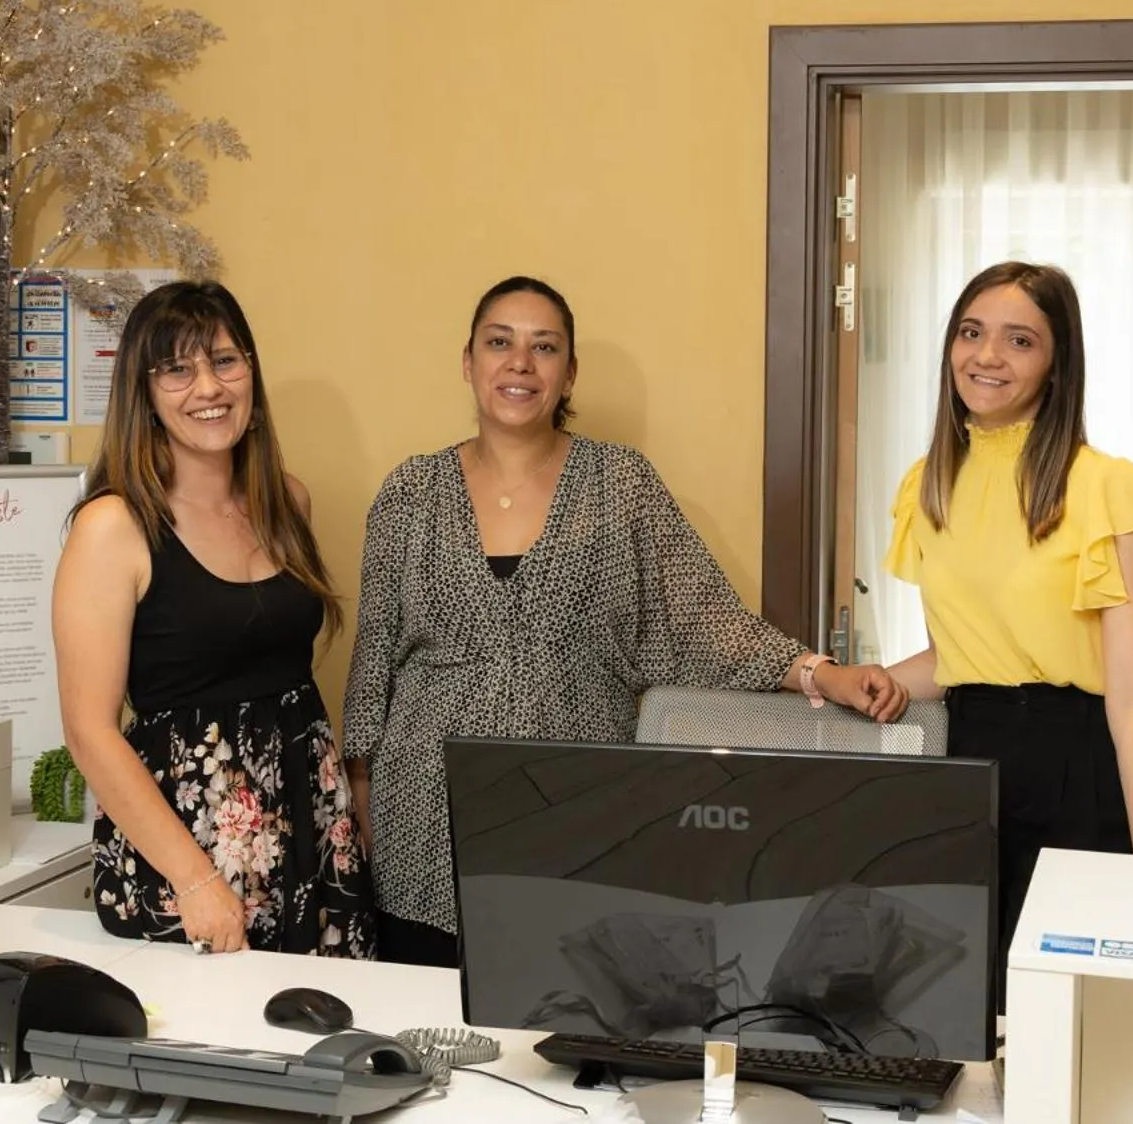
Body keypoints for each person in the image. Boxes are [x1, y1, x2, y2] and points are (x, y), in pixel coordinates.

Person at [342, 275, 908, 967]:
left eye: (544, 347)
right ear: (468, 362)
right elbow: (373, 667)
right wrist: (364, 807)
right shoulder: (411, 492)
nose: (520, 363)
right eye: (500, 343)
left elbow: (705, 619)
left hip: (580, 809)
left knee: (564, 1026)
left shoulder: (621, 484)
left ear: (569, 371)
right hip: (426, 815)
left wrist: (824, 673)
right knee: (430, 1032)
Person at [54, 281, 376, 958]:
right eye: (177, 368)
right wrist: (196, 880)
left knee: (328, 1046)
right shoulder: (113, 526)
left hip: (310, 827)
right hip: (191, 846)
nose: (208, 385)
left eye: (225, 361)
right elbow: (89, 730)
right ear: (143, 394)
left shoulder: (288, 502)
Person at [882, 261, 1133, 975]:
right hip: (966, 766)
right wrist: (872, 680)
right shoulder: (929, 482)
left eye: (1019, 341)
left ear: (1056, 363)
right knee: (968, 1007)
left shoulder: (1107, 485)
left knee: (1065, 1009)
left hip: (1075, 767)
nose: (986, 356)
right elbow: (957, 656)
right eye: (972, 332)